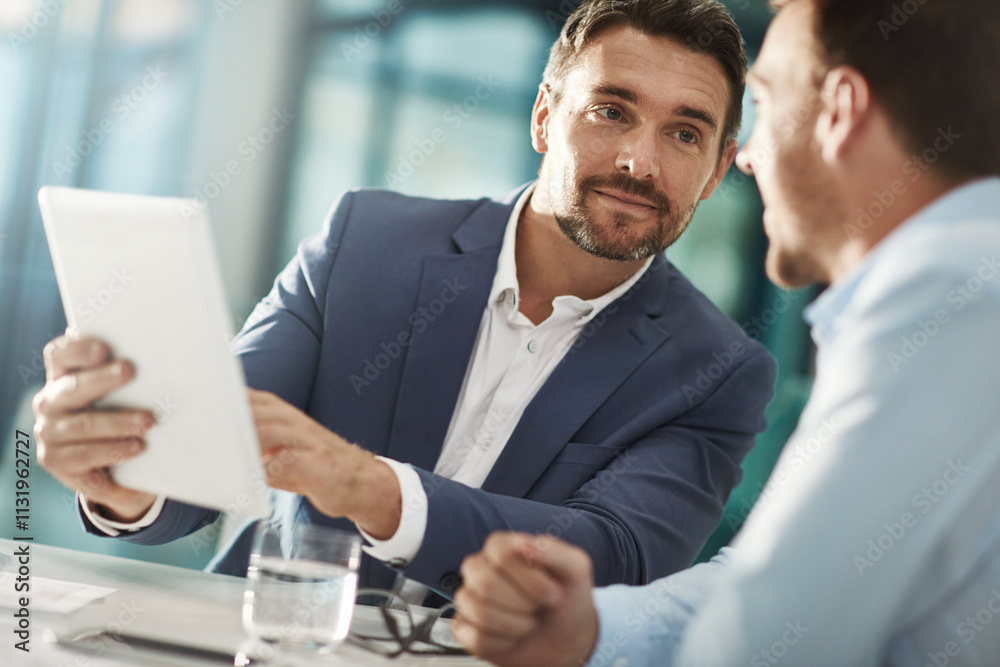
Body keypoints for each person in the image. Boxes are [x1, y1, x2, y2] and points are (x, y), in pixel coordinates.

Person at [31, 0, 775, 600]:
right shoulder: (367, 241)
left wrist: (365, 485)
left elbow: (611, 556)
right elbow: (212, 453)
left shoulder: (718, 372)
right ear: (545, 116)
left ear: (713, 174)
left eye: (684, 132)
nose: (638, 161)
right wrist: (124, 473)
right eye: (611, 110)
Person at [451, 0, 1000, 663]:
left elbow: (764, 642)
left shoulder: (944, 289)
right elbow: (782, 582)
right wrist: (595, 628)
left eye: (765, 103)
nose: (747, 158)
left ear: (840, 113)